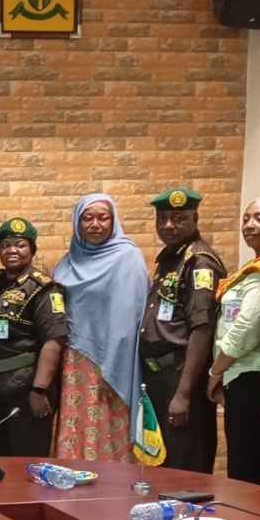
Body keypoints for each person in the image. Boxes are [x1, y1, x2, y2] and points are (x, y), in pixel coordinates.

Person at [51, 194, 148, 462]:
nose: (95, 224)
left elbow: (132, 316)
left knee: (107, 420)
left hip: (115, 359)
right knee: (76, 421)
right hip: (73, 360)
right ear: (77, 222)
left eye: (103, 218)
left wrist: (114, 362)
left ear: (113, 221)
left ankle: (112, 483)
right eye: (88, 218)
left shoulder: (128, 258)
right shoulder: (68, 261)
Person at [139, 187, 226, 473]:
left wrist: (184, 394)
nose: (168, 225)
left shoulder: (199, 262)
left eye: (178, 219)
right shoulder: (171, 258)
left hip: (181, 375)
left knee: (185, 466)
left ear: (195, 219)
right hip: (160, 377)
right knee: (162, 464)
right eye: (162, 218)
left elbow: (202, 329)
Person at [207, 196, 260, 487]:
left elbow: (248, 326)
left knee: (250, 470)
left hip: (254, 375)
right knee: (243, 465)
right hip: (239, 374)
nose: (250, 225)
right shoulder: (255, 265)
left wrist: (216, 370)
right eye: (246, 218)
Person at [0, 217, 68, 457]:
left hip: (25, 391)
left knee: (25, 461)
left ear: (32, 249)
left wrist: (39, 390)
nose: (12, 250)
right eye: (5, 245)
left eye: (20, 245)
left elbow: (54, 341)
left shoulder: (43, 288)